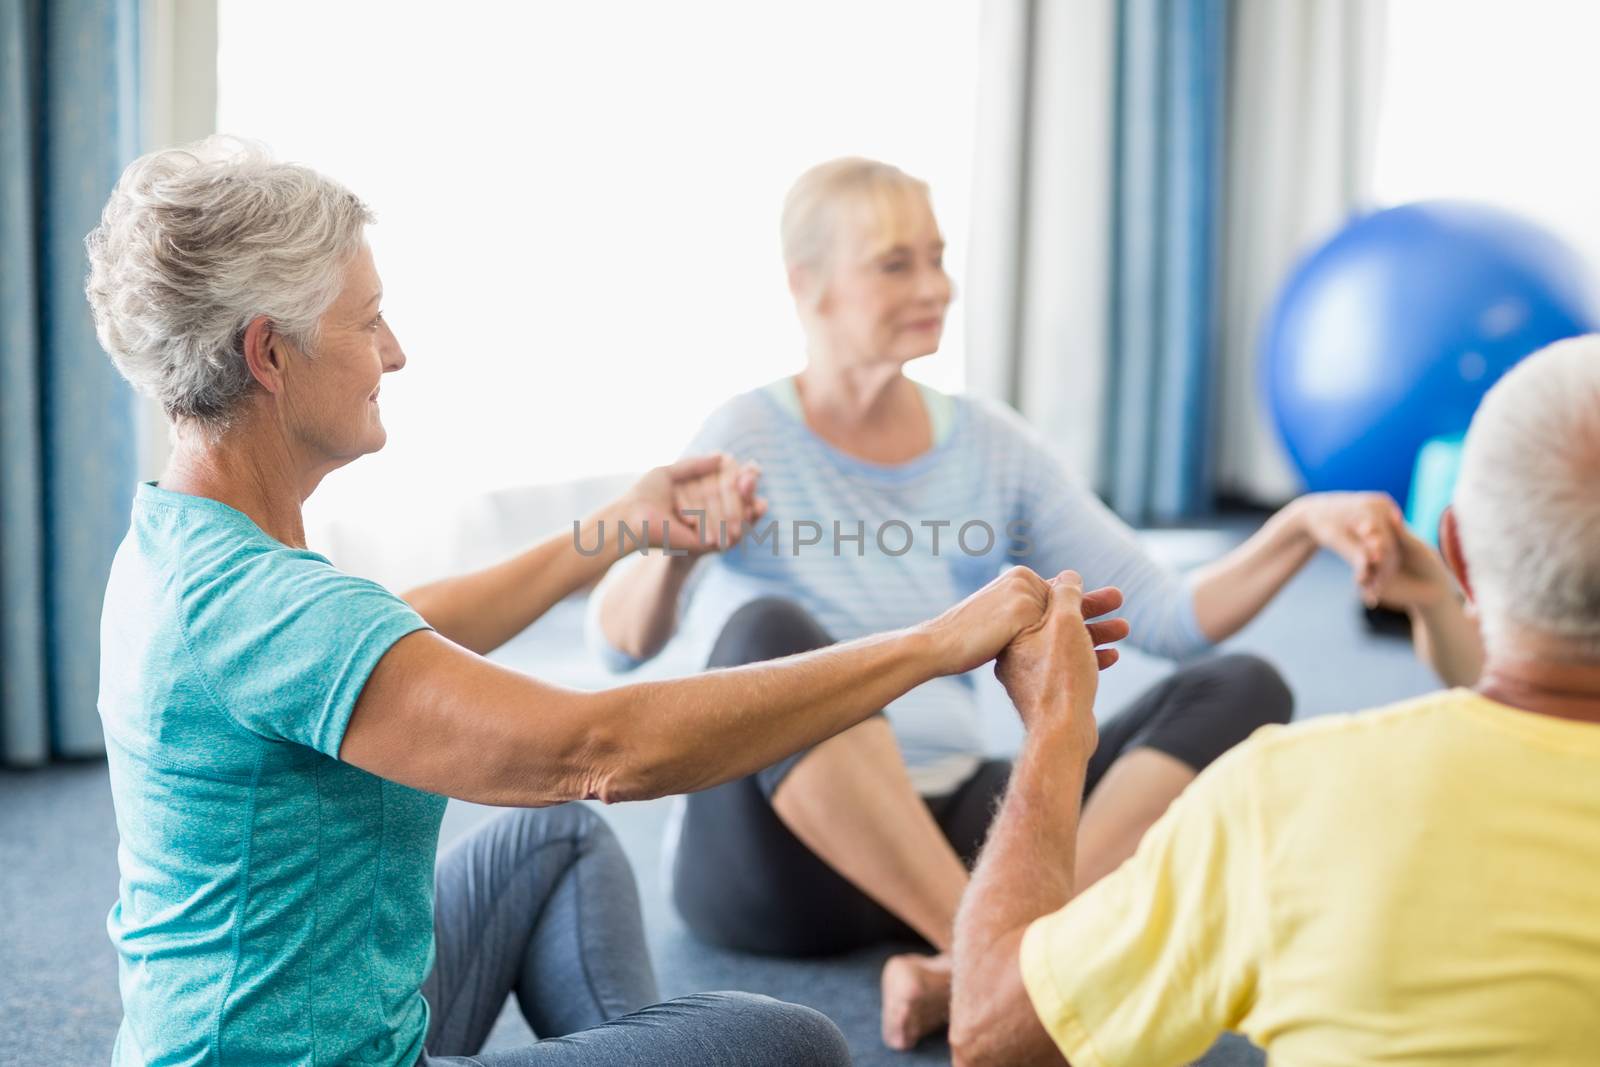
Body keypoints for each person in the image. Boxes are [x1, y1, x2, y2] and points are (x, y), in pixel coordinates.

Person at [85, 137, 1062, 1067]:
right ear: (268, 353)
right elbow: (603, 748)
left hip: (319, 1011)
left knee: (547, 844)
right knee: (788, 1041)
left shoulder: (186, 539)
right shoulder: (261, 606)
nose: (396, 351)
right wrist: (936, 644)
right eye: (367, 319)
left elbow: (392, 629)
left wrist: (619, 527)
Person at [591, 157, 1435, 1048]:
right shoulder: (747, 432)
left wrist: (1296, 529)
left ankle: (967, 965)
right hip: (775, 863)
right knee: (768, 633)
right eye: (896, 264)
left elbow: (1166, 614)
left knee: (1243, 688)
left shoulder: (991, 445)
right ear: (810, 287)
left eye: (939, 257)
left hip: (950, 813)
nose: (938, 286)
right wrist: (676, 561)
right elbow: (616, 645)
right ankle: (1012, 962)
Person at [949, 336, 1600, 1066]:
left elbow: (993, 1031)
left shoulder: (1282, 795)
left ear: (1458, 548)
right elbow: (1544, 726)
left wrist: (1054, 727)